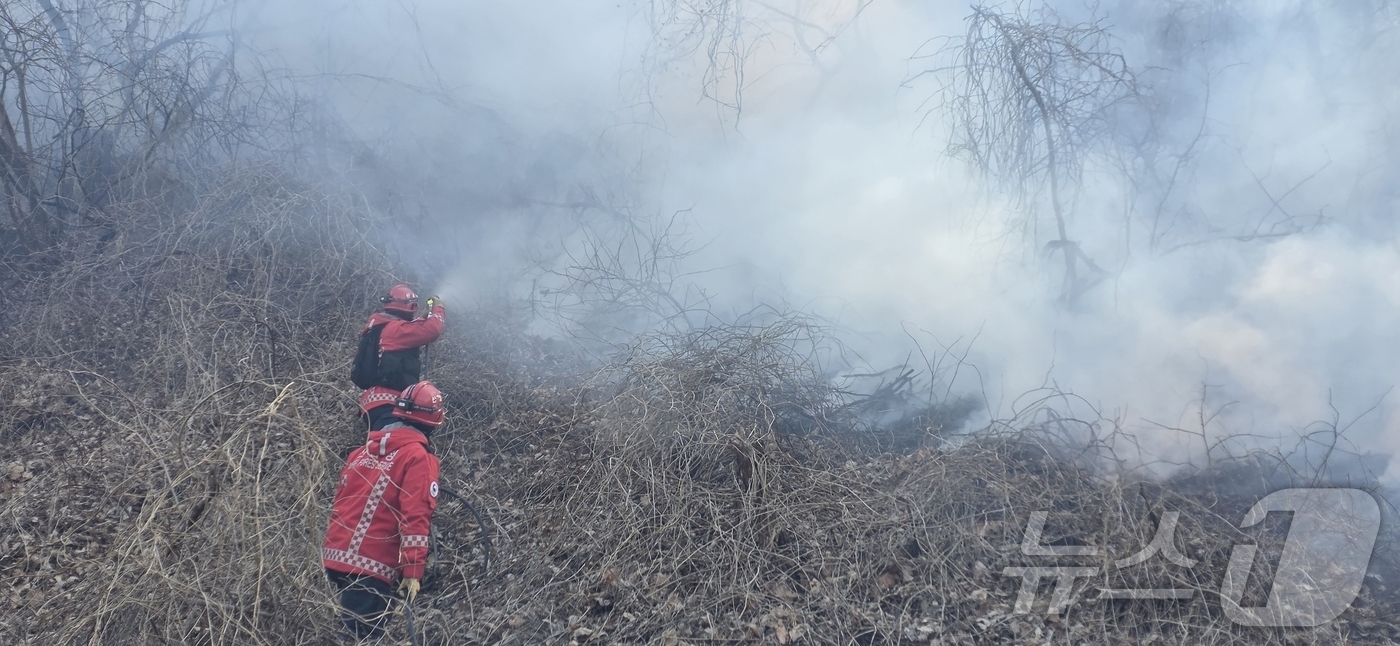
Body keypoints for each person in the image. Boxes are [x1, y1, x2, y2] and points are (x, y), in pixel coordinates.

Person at [323, 381, 444, 641]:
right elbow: (415, 517)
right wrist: (413, 572)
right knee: (362, 638)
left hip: (336, 557)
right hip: (371, 566)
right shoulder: (418, 458)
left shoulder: (360, 453)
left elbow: (341, 500)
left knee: (349, 632)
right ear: (434, 422)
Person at [356, 284, 445, 431]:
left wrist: (422, 318)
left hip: (375, 402)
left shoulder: (381, 327)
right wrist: (438, 309)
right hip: (389, 403)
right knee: (402, 441)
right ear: (409, 307)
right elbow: (432, 330)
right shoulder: (393, 330)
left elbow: (407, 330)